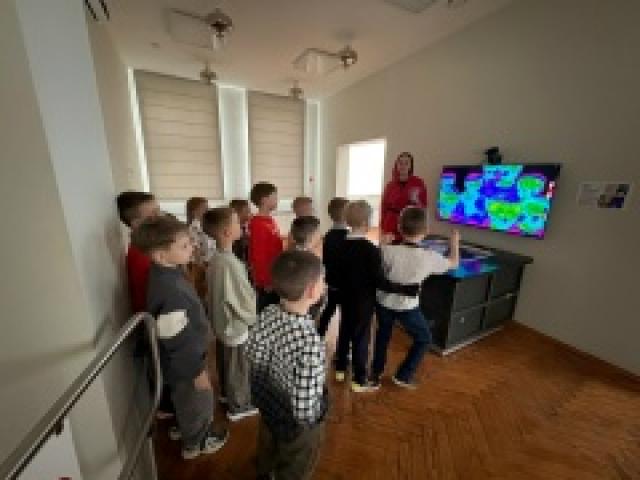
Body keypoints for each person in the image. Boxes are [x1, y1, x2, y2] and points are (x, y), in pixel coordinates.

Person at [132, 216, 228, 460]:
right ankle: (196, 441)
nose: (192, 247)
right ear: (160, 255)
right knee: (198, 398)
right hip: (186, 363)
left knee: (185, 399)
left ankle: (187, 427)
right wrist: (197, 371)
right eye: (184, 245)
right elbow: (176, 338)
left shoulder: (164, 272)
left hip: (180, 361)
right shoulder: (171, 290)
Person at [247, 250, 329, 480]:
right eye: (323, 280)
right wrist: (309, 423)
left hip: (268, 402)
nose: (325, 285)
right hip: (296, 422)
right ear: (312, 291)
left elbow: (252, 354)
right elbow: (304, 407)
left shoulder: (267, 313)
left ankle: (264, 472)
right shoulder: (310, 343)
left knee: (268, 442)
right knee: (296, 463)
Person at [334, 200, 421, 392]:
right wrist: (405, 289)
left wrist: (380, 246)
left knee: (345, 329)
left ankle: (340, 369)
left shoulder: (340, 244)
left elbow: (338, 272)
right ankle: (359, 380)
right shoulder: (370, 249)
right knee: (361, 339)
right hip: (363, 302)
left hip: (344, 298)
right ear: (366, 223)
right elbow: (380, 281)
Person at [371, 207, 460, 389]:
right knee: (424, 338)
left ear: (399, 227)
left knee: (383, 335)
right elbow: (454, 263)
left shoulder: (387, 251)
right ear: (426, 231)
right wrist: (455, 243)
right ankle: (404, 375)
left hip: (384, 302)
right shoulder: (430, 257)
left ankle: (376, 372)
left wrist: (381, 244)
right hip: (407, 307)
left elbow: (375, 263)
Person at [202, 207, 259, 422]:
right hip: (234, 324)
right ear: (226, 232)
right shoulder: (229, 264)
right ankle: (239, 405)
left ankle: (227, 394)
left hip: (222, 322)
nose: (241, 225)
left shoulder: (217, 259)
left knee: (226, 360)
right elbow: (242, 298)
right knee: (238, 365)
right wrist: (252, 318)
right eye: (237, 222)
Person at [116, 191, 161, 314]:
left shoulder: (150, 246)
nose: (160, 216)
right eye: (153, 214)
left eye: (158, 210)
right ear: (136, 224)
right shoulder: (142, 255)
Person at [248, 182, 284, 312]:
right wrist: (265, 281)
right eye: (274, 197)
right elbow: (258, 256)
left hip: (275, 273)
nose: (277, 200)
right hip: (267, 280)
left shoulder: (270, 220)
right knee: (266, 311)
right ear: (264, 200)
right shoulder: (257, 224)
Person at [317, 197, 349, 337]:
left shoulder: (328, 236)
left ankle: (319, 335)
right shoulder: (349, 237)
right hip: (345, 284)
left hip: (332, 282)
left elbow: (325, 260)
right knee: (345, 315)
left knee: (329, 309)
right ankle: (343, 345)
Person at [380, 152, 428, 241]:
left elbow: (423, 208)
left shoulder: (418, 183)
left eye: (406, 163)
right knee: (389, 248)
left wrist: (416, 200)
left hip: (409, 225)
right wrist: (382, 228)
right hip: (390, 224)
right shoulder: (390, 185)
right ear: (396, 165)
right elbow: (384, 208)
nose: (403, 166)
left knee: (407, 247)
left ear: (410, 166)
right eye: (400, 163)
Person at [186, 197, 214, 265]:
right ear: (194, 212)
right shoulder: (192, 229)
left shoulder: (209, 225)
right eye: (204, 207)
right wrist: (201, 266)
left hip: (212, 262)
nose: (208, 209)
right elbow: (195, 250)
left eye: (208, 207)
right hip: (202, 264)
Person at [229, 198, 252, 267]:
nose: (250, 214)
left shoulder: (247, 228)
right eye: (247, 211)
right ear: (237, 213)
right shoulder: (232, 231)